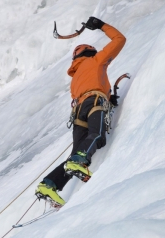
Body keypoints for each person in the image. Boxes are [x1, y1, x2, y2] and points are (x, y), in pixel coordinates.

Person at [35, 16, 126, 207]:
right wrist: (101, 25)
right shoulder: (96, 61)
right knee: (97, 136)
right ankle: (76, 163)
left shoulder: (76, 77)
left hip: (78, 111)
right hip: (94, 102)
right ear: (90, 52)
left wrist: (109, 98)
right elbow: (119, 40)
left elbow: (90, 86)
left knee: (77, 152)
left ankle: (49, 184)